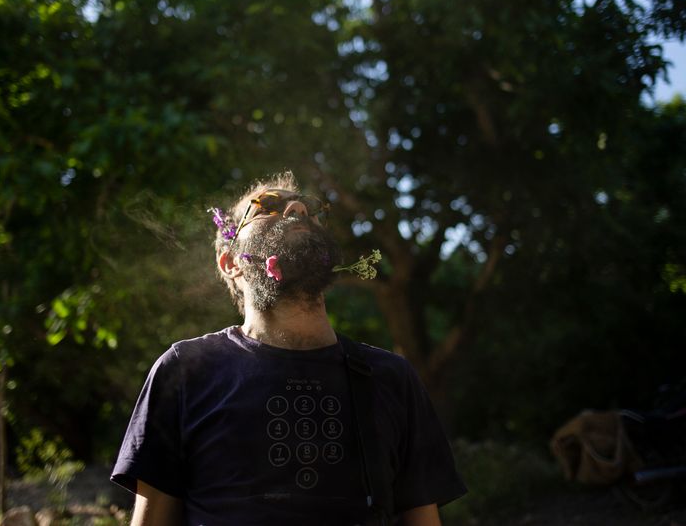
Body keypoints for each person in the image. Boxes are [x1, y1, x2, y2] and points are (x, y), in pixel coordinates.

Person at [111, 172, 466, 526]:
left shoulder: (391, 377)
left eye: (312, 210)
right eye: (267, 207)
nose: (298, 208)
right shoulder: (186, 369)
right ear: (231, 262)